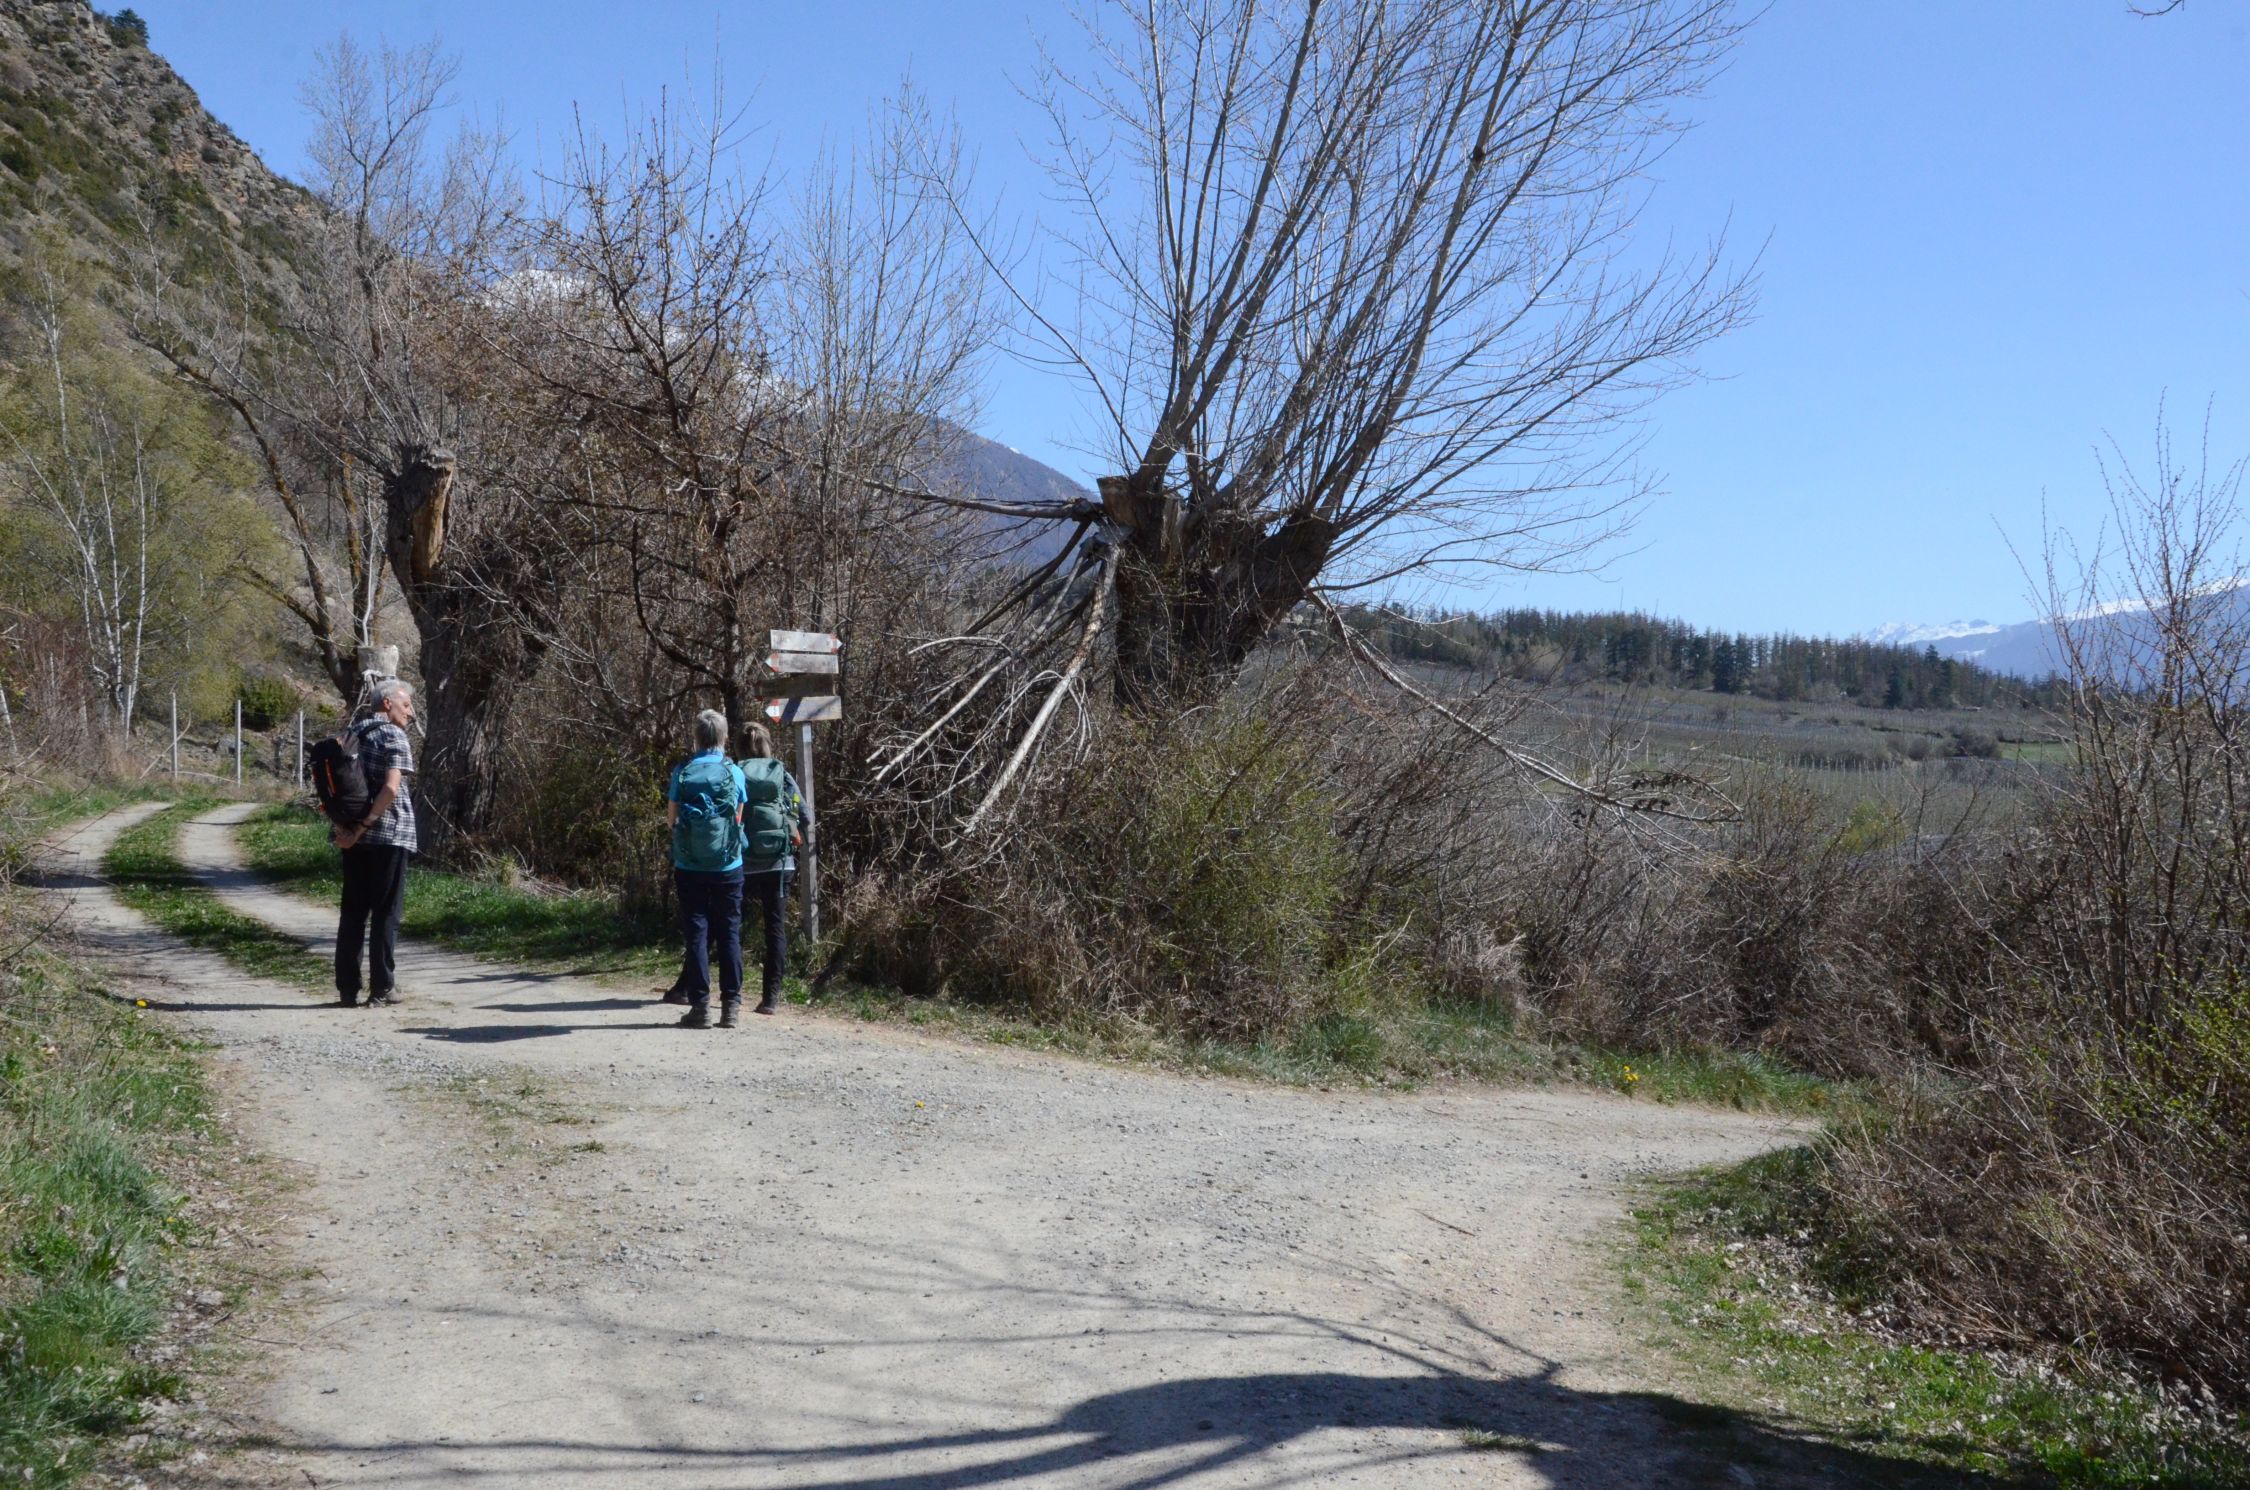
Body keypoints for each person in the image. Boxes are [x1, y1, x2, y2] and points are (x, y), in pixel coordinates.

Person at [333, 678, 417, 1007]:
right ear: (387, 704)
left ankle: (347, 989)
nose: (411, 712)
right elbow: (391, 788)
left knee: (353, 913)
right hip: (389, 835)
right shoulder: (393, 735)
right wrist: (367, 824)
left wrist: (350, 830)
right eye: (406, 705)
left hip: (353, 838)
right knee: (385, 913)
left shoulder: (351, 733)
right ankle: (382, 988)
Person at [666, 710, 749, 1029]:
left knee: (697, 932)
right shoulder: (733, 771)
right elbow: (737, 818)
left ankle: (700, 1007)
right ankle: (731, 1007)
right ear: (724, 737)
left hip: (689, 865)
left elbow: (671, 819)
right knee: (729, 931)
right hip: (728, 865)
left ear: (696, 737)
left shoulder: (683, 771)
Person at [733, 722, 812, 1017]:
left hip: (741, 863)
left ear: (739, 747)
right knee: (775, 929)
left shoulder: (735, 773)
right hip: (780, 863)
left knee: (731, 927)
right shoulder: (781, 773)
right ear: (767, 744)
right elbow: (805, 814)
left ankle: (733, 994)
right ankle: (770, 999)